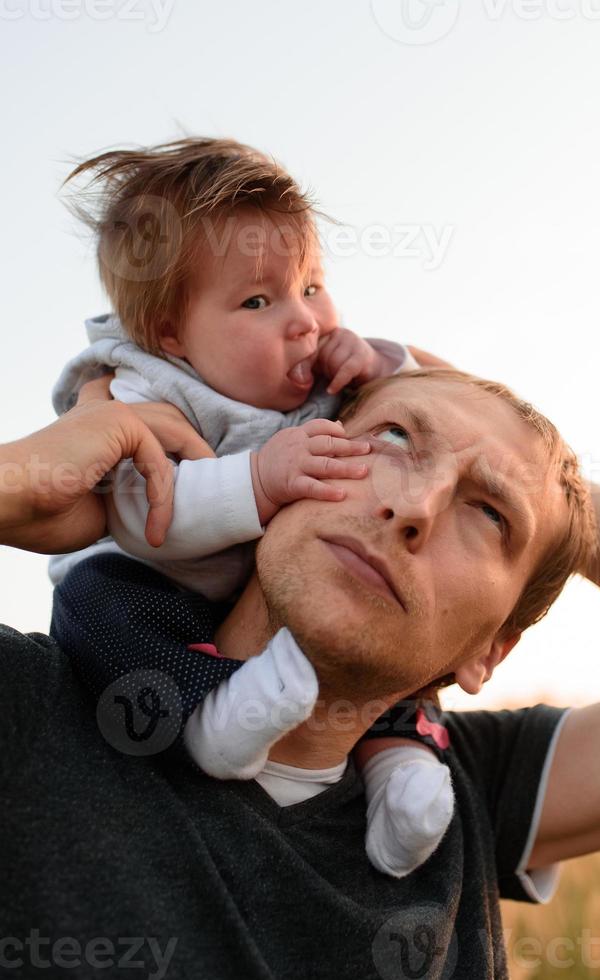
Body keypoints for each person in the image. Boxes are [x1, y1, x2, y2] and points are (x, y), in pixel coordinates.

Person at [2, 367, 600, 979]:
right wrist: (16, 478)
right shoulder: (29, 705)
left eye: (490, 513)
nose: (415, 505)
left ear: (490, 651)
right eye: (394, 437)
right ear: (287, 456)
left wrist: (550, 476)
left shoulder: (461, 798)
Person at [47, 136, 454, 879]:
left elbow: (460, 411)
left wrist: (391, 364)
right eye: (259, 301)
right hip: (163, 594)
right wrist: (257, 483)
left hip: (275, 607)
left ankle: (401, 759)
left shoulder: (333, 372)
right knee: (91, 597)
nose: (303, 320)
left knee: (386, 615)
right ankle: (206, 721)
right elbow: (141, 514)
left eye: (313, 285)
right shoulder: (152, 389)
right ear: (172, 334)